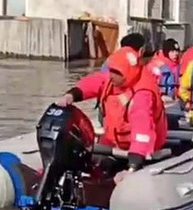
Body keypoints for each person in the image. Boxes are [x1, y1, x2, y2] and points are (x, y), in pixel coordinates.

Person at [57, 45, 167, 183]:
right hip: (112, 142)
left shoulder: (142, 96)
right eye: (111, 70)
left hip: (139, 149)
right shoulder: (113, 80)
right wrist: (72, 95)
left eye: (116, 72)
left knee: (112, 169)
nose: (111, 75)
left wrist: (133, 167)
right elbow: (94, 82)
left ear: (127, 72)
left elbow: (143, 133)